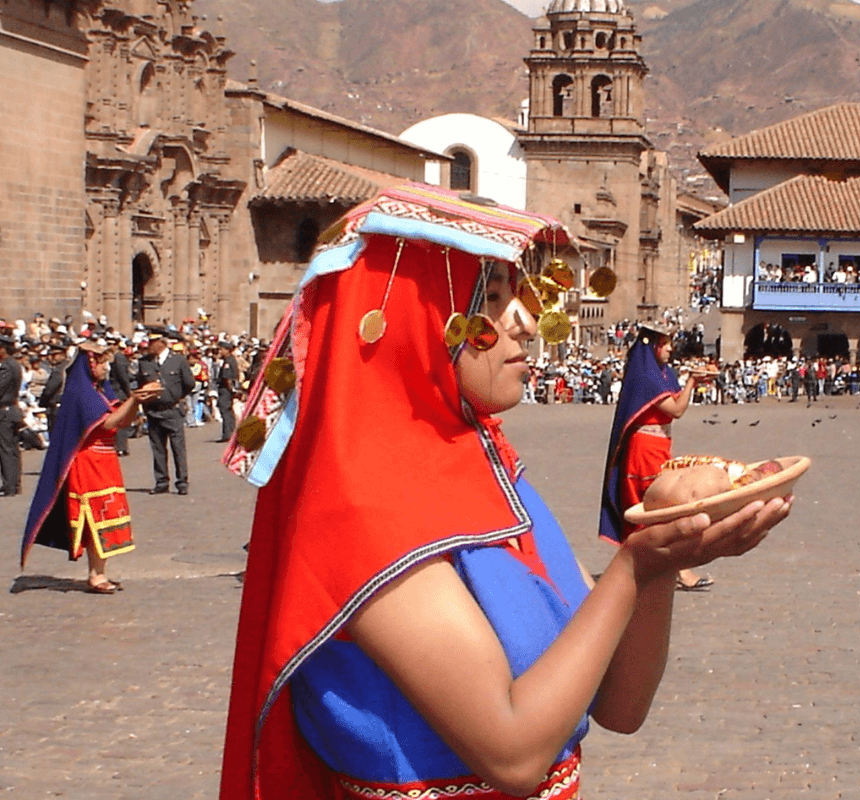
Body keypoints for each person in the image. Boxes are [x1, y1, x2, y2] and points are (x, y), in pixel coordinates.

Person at [218, 187, 790, 800]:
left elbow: (619, 706)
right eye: (489, 298)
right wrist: (635, 563)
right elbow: (513, 754)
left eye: (515, 293)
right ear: (415, 323)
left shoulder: (498, 479)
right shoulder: (363, 513)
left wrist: (657, 558)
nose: (523, 318)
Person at [20, 340, 161, 592]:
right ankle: (95, 576)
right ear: (91, 363)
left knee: (108, 513)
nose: (107, 367)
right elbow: (106, 424)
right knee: (95, 517)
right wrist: (133, 398)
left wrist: (137, 402)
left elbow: (122, 422)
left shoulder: (101, 391)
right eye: (103, 362)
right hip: (87, 462)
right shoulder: (81, 392)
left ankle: (99, 571)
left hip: (106, 461)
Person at [600, 323, 716, 591]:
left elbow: (677, 406)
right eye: (665, 344)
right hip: (645, 449)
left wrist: (693, 382)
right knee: (660, 508)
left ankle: (641, 568)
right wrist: (691, 382)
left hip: (660, 445)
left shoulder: (663, 373)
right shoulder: (647, 377)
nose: (670, 349)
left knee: (656, 507)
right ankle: (679, 570)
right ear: (652, 345)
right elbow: (675, 409)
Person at [134, 328, 195, 495]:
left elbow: (189, 383)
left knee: (178, 448)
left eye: (152, 343)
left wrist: (176, 396)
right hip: (154, 411)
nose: (149, 346)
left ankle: (182, 482)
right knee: (158, 449)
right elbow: (140, 383)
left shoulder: (178, 360)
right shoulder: (144, 362)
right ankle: (161, 482)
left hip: (173, 411)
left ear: (162, 343)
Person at [0, 335, 24, 496]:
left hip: (5, 411)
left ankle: (10, 485)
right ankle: (14, 483)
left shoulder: (7, 367)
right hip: (11, 410)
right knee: (12, 449)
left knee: (6, 449)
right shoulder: (14, 364)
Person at [215, 341, 240, 442]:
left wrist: (232, 390)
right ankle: (231, 433)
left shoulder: (228, 361)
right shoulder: (230, 360)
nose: (220, 352)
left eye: (221, 349)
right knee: (228, 412)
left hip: (225, 390)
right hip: (227, 390)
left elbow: (227, 378)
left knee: (225, 411)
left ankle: (227, 434)